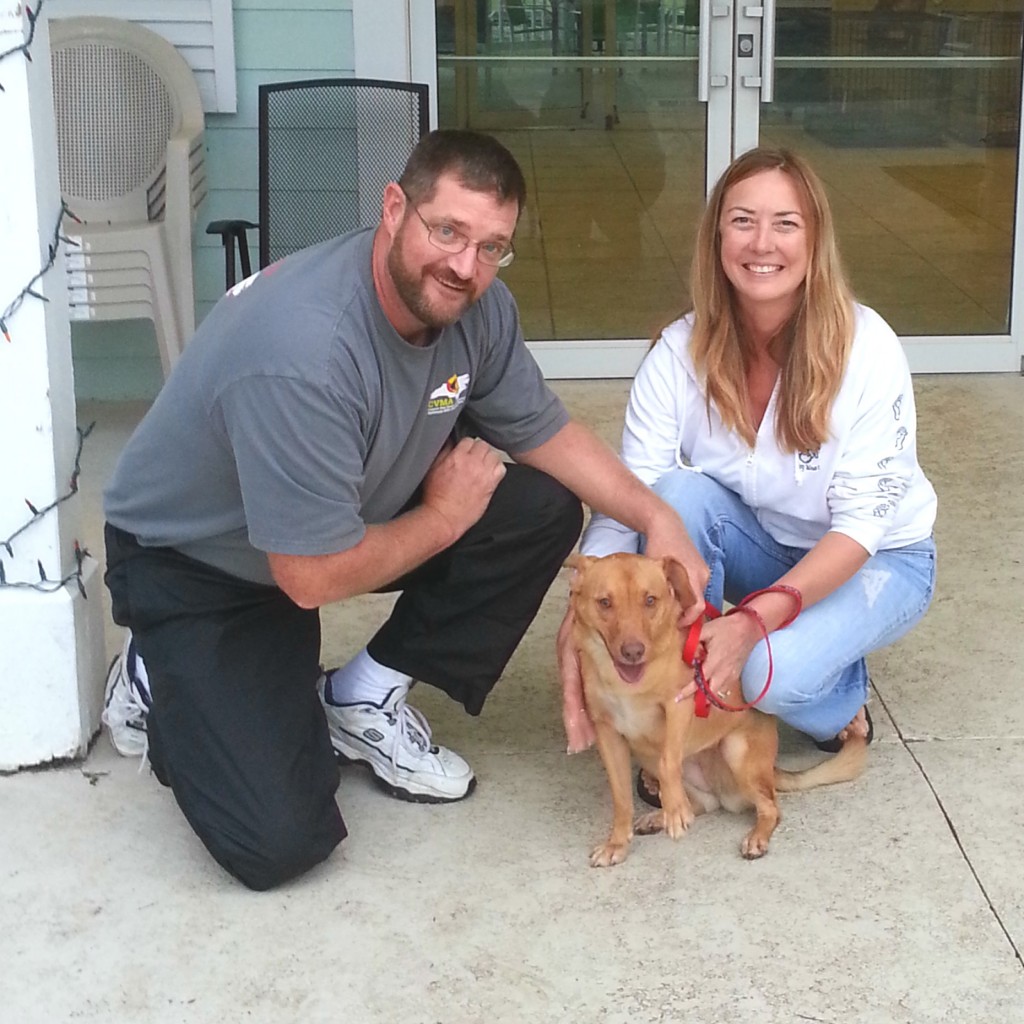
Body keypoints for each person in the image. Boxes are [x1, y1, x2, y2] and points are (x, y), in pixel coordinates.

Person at [101, 129, 706, 891]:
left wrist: (659, 517)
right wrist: (444, 519)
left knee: (541, 508)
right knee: (278, 840)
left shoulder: (474, 307)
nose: (465, 266)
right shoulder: (304, 353)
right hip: (203, 563)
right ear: (395, 209)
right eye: (447, 231)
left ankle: (362, 695)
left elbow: (543, 429)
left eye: (492, 246)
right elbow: (311, 579)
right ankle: (159, 670)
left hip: (337, 516)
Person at [559, 146, 937, 780]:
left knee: (768, 674)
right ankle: (688, 697)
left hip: (878, 560)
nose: (763, 242)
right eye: (742, 220)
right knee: (673, 498)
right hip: (763, 542)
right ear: (716, 237)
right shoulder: (679, 352)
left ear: (815, 242)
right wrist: (588, 596)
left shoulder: (868, 348)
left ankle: (839, 691)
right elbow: (632, 495)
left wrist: (751, 623)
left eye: (786, 223)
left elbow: (860, 531)